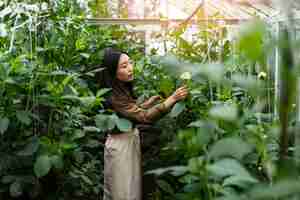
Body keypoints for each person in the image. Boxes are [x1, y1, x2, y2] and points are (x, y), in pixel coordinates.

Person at [98, 48, 188, 200]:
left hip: (128, 141)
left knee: (129, 187)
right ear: (113, 72)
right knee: (123, 191)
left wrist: (147, 103)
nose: (130, 68)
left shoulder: (120, 90)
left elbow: (131, 112)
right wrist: (172, 99)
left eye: (130, 63)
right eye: (124, 66)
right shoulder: (114, 96)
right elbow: (144, 117)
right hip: (121, 146)